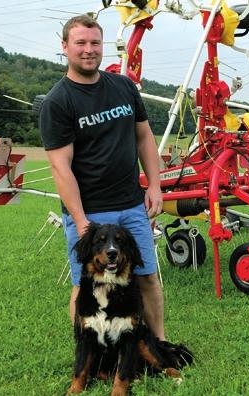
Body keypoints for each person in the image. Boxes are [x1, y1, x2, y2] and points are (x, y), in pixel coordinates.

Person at [39, 14, 165, 340]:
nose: (89, 50)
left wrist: (154, 185)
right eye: (80, 43)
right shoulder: (58, 101)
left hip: (131, 206)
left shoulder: (123, 87)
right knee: (86, 284)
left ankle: (160, 344)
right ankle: (89, 356)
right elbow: (60, 167)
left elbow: (144, 137)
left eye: (95, 43)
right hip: (91, 213)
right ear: (65, 47)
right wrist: (81, 221)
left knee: (147, 277)